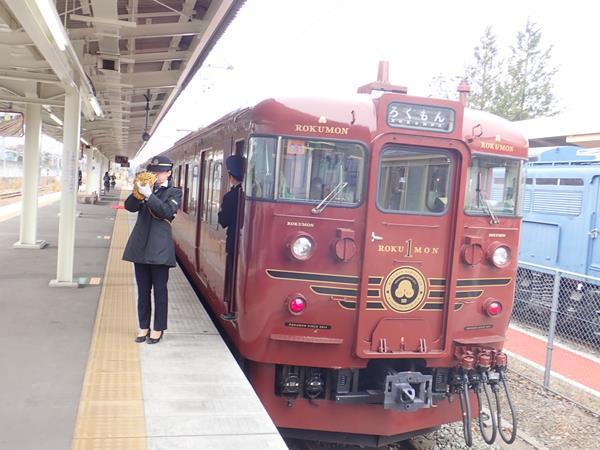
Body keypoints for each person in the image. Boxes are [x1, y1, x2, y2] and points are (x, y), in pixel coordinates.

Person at [123, 155, 182, 344]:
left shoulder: (174, 192)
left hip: (160, 249)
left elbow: (165, 212)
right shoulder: (145, 189)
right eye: (153, 172)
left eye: (159, 172)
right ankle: (143, 326)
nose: (155, 176)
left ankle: (158, 328)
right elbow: (129, 207)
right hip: (140, 246)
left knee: (159, 291)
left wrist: (150, 195)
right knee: (142, 290)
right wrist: (136, 193)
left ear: (168, 173)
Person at [218, 155, 245, 321]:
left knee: (232, 272)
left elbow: (223, 221)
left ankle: (232, 308)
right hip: (246, 242)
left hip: (234, 242)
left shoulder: (230, 196)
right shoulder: (249, 193)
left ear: (231, 176)